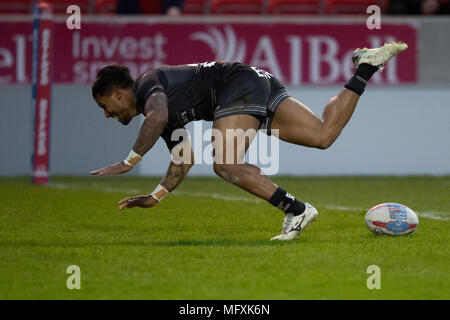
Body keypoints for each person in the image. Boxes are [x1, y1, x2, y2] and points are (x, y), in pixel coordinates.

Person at [90, 41, 408, 241]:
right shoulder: (158, 111)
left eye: (105, 107)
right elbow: (183, 158)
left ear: (117, 94)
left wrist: (129, 161)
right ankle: (365, 68)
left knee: (226, 163)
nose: (107, 115)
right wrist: (156, 196)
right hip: (256, 80)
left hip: (235, 84)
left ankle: (297, 210)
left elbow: (156, 118)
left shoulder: (148, 86)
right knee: (323, 135)